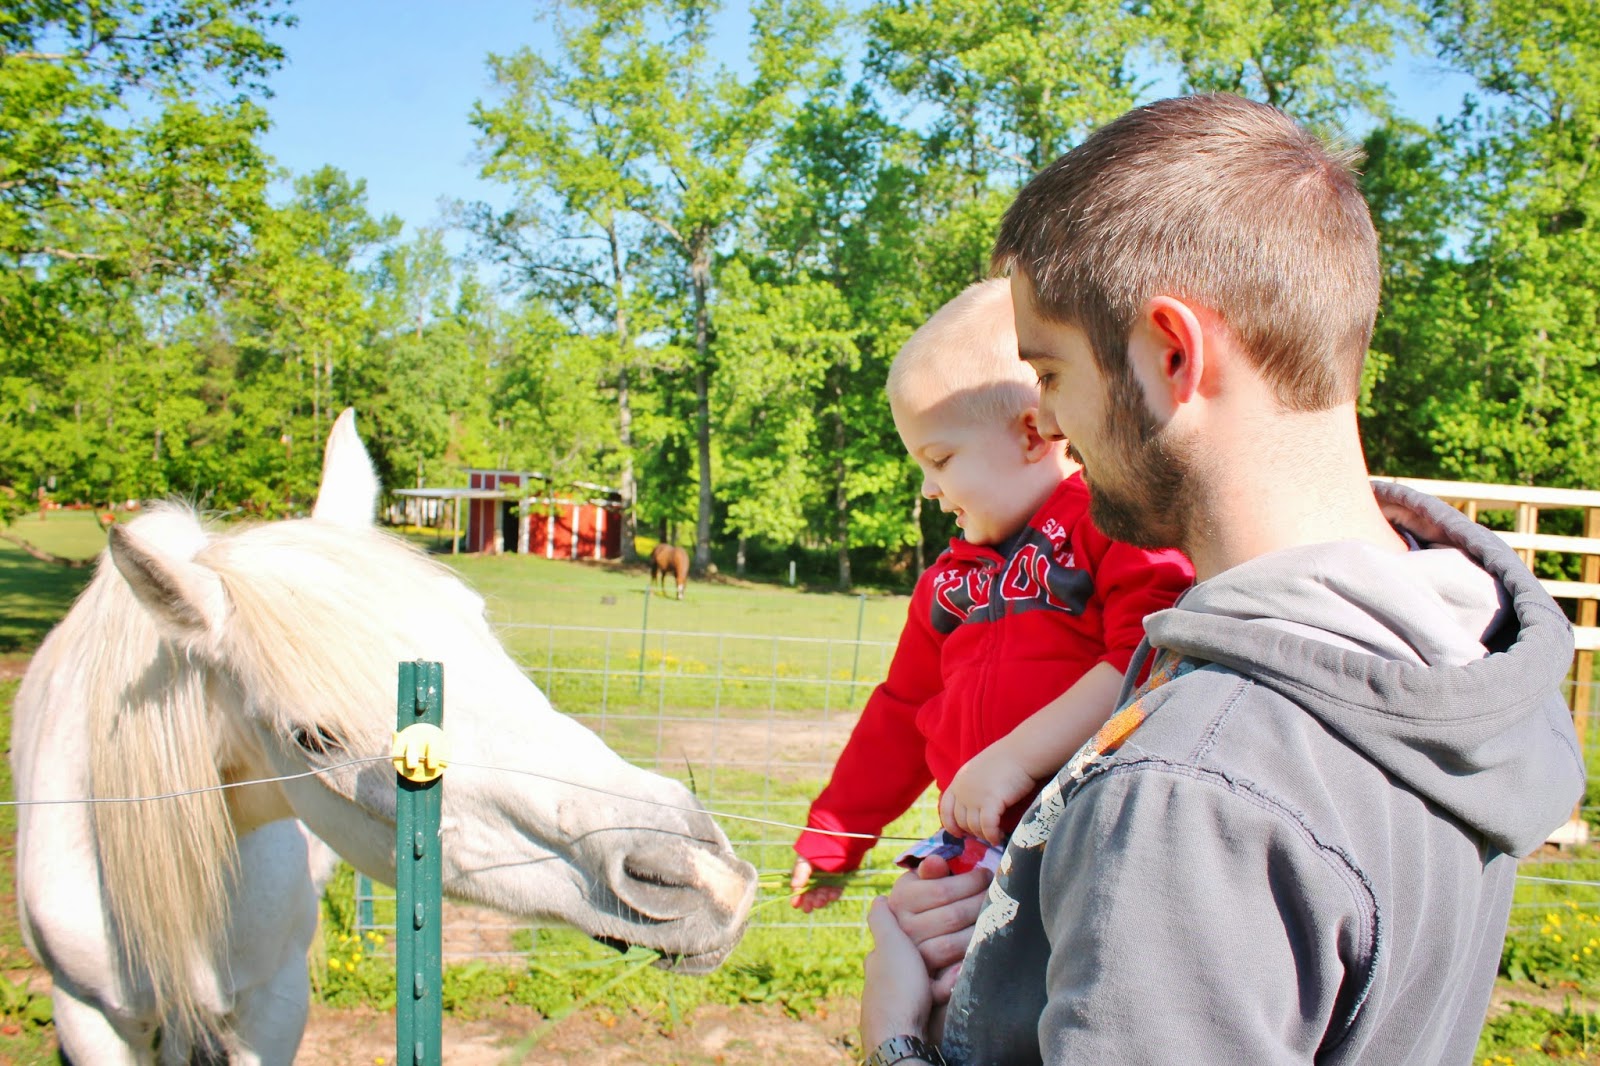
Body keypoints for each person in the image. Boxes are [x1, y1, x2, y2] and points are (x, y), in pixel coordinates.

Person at [859, 93, 1586, 1066]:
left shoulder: (1195, 786)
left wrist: (894, 1033)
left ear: (1171, 353)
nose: (1051, 423)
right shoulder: (1459, 646)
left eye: (1053, 372)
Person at [790, 279, 1193, 913]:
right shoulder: (948, 584)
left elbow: (1148, 658)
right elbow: (901, 712)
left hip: (1092, 851)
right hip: (979, 850)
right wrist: (838, 834)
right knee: (911, 958)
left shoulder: (1111, 526)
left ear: (1033, 434)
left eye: (941, 459)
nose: (928, 487)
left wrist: (1012, 759)